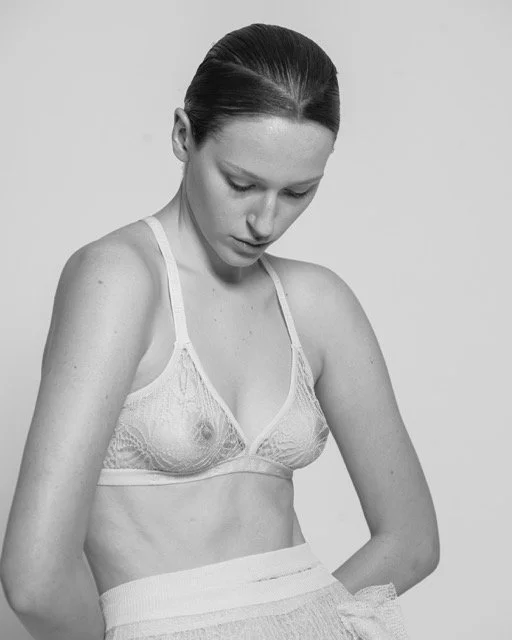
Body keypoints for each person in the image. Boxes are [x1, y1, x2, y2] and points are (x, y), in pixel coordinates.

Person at [0, 22, 439, 640]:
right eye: (241, 183)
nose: (265, 221)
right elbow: (35, 578)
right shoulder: (120, 279)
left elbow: (412, 539)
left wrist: (304, 626)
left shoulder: (318, 303)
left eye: (298, 192)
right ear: (184, 136)